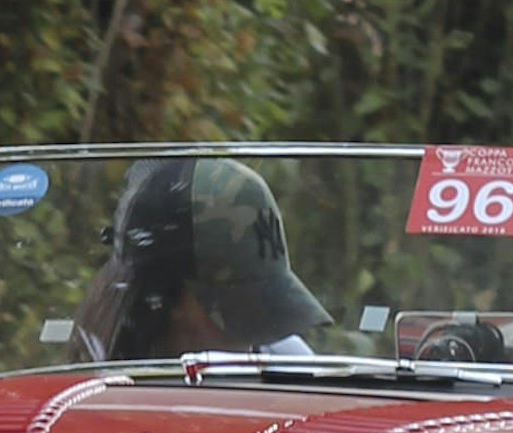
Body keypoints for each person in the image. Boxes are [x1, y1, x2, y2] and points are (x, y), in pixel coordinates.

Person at [78, 153, 342, 361]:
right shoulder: (92, 393)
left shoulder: (286, 362)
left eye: (265, 308)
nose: (251, 341)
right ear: (162, 301)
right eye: (237, 312)